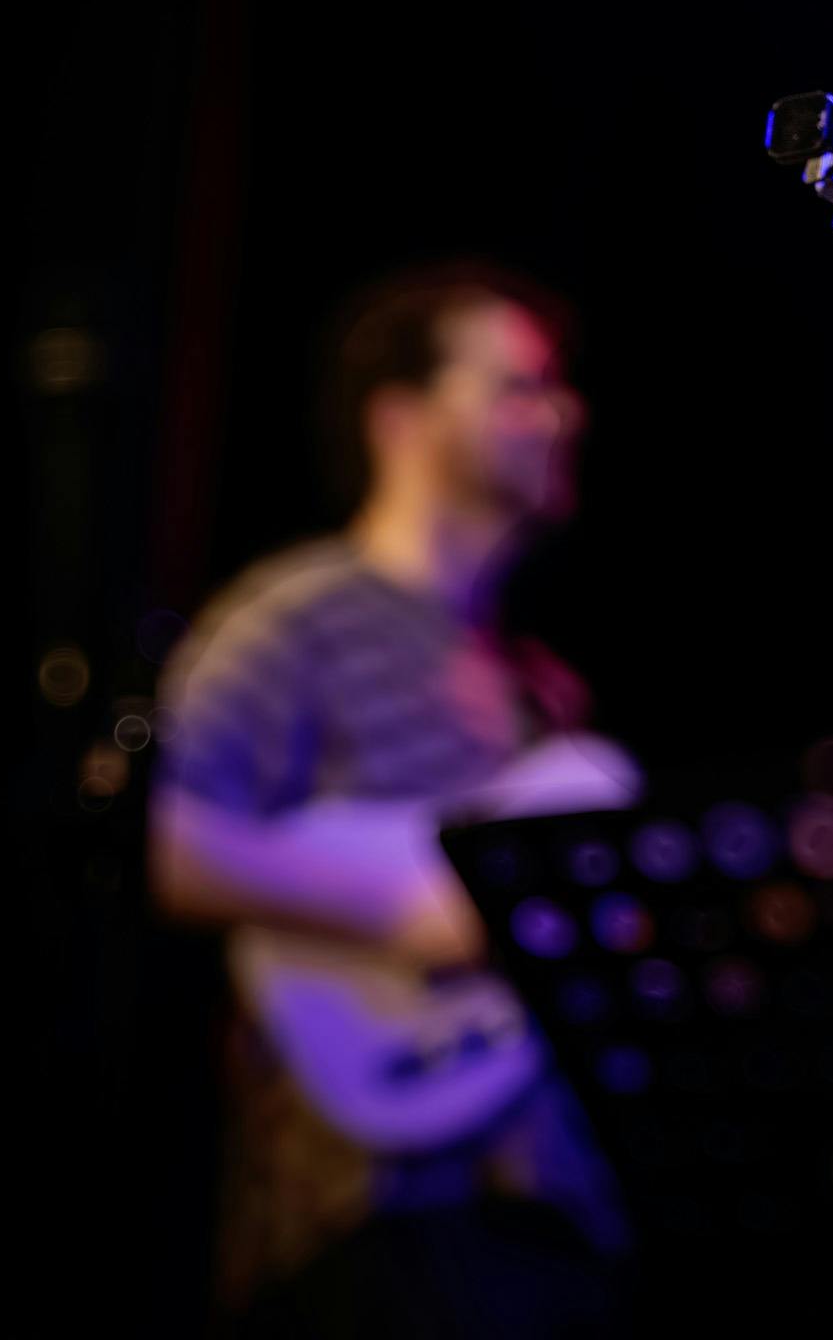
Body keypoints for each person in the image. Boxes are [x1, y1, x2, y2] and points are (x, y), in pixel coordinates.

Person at [150, 265, 631, 1337]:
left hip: (537, 1222)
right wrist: (413, 908)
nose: (562, 412)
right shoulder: (298, 615)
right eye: (519, 386)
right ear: (401, 419)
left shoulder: (540, 689)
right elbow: (165, 834)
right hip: (362, 1225)